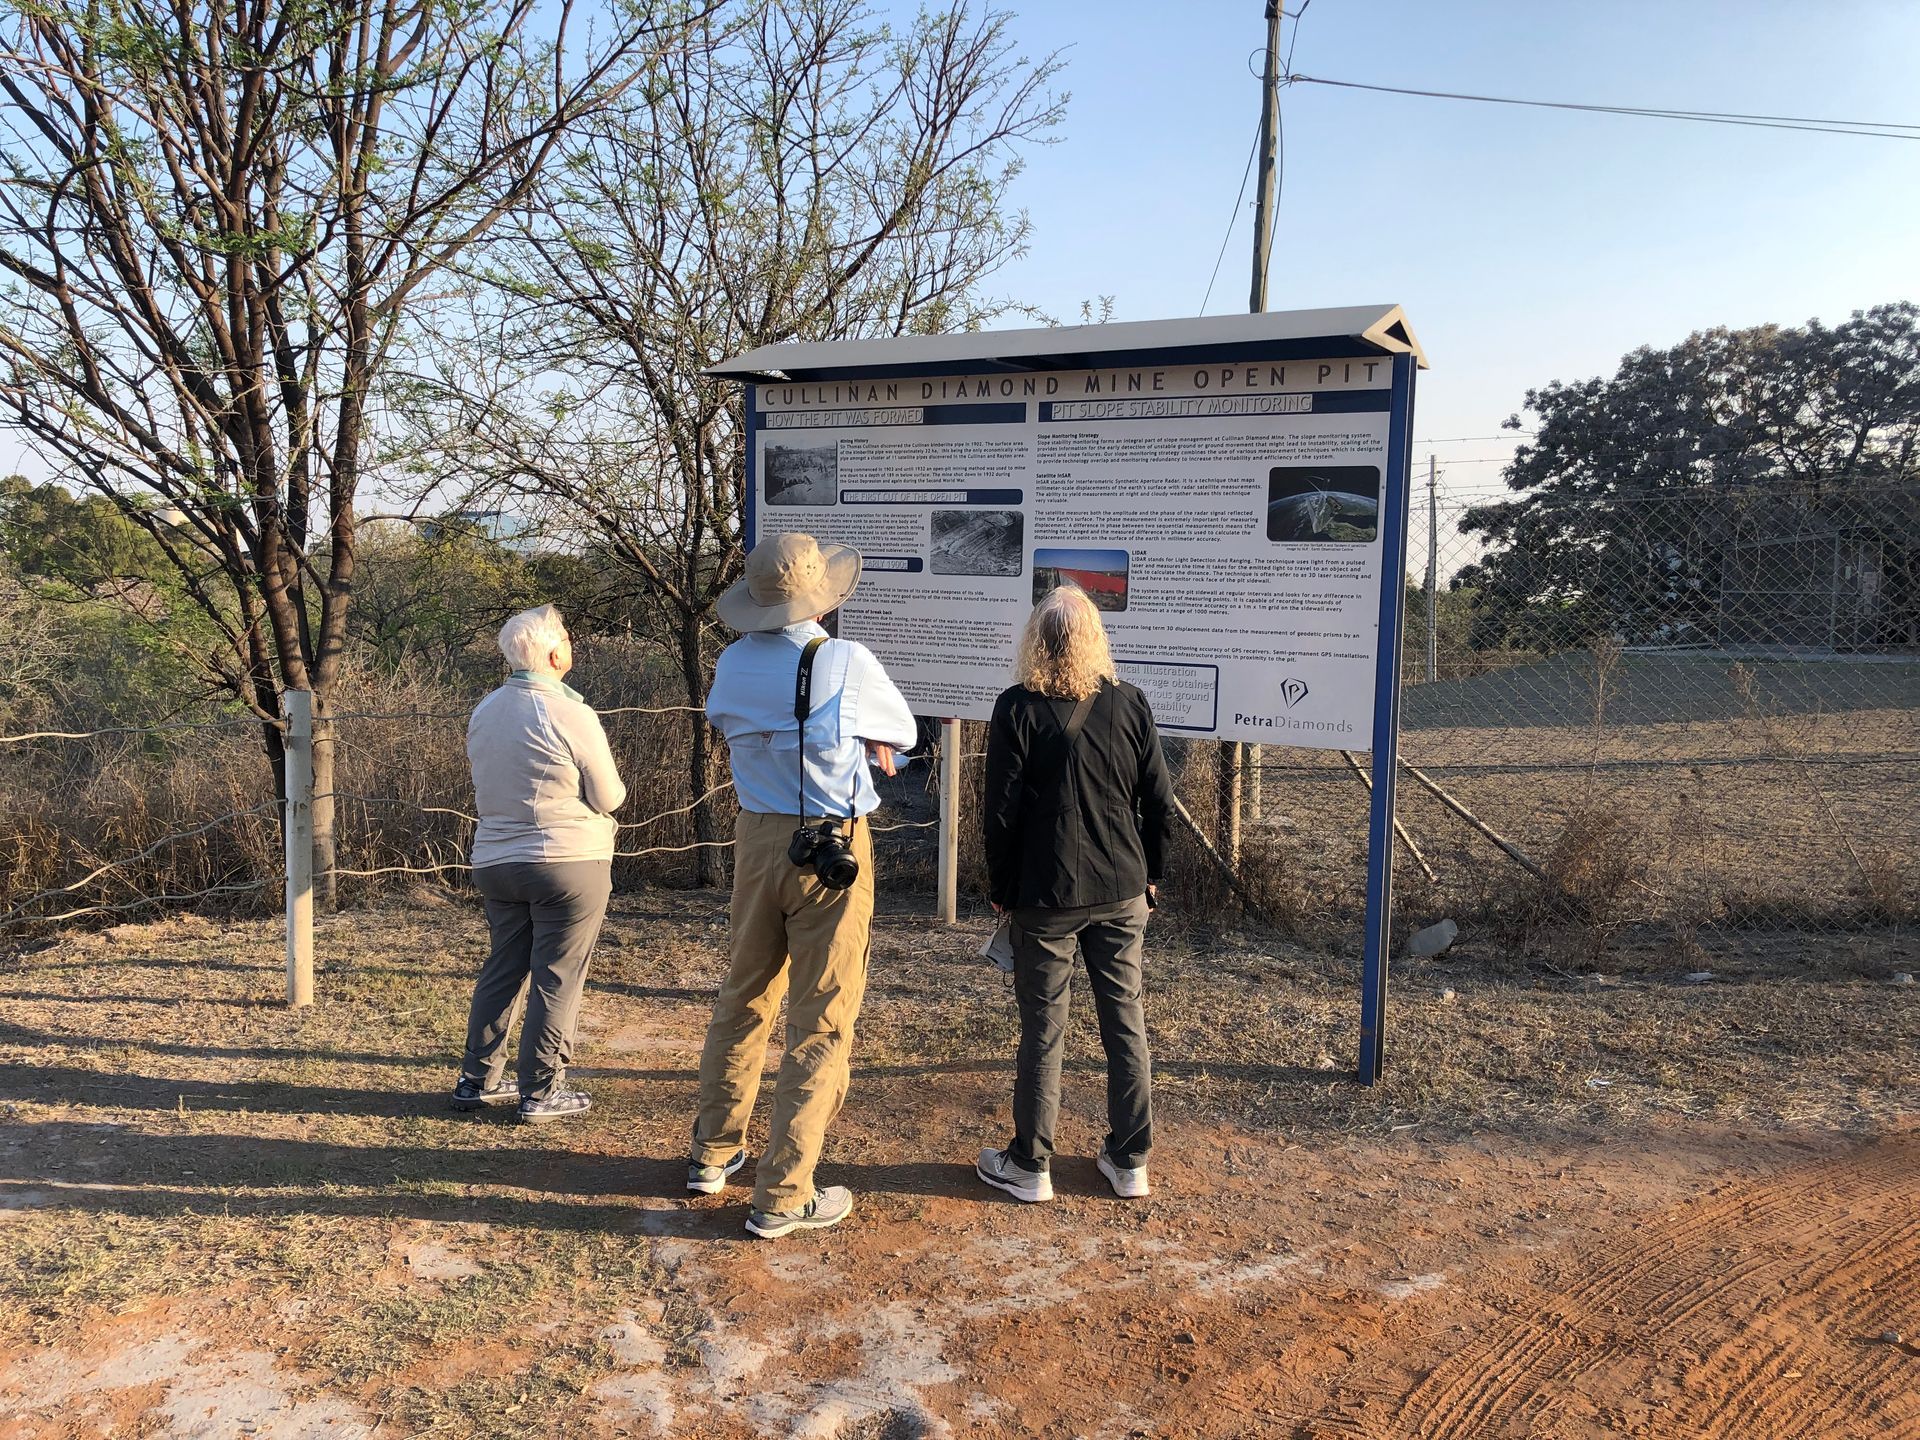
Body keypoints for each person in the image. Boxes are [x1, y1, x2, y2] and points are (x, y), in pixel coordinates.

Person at [690, 532, 916, 1240]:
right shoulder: (844, 660)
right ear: (821, 594)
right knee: (821, 1015)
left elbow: (727, 719)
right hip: (831, 841)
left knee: (745, 993)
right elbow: (903, 733)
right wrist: (857, 738)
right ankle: (785, 1192)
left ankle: (713, 1151)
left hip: (758, 836)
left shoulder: (732, 662)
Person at [976, 584, 1174, 1203]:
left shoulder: (1016, 708)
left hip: (1044, 893)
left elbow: (1000, 812)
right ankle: (1130, 1160)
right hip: (1121, 888)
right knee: (1125, 1019)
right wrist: (1152, 874)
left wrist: (1002, 888)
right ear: (1095, 639)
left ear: (1037, 640)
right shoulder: (1129, 703)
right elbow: (1158, 802)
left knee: (1043, 1028)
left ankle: (1030, 1165)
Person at [450, 604, 627, 1124]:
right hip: (568, 860)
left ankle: (476, 1079)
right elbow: (609, 796)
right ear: (553, 654)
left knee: (503, 966)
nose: (571, 644)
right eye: (566, 638)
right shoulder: (571, 712)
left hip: (496, 858)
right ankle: (542, 1089)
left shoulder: (485, 709)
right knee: (558, 975)